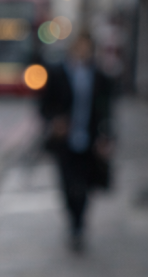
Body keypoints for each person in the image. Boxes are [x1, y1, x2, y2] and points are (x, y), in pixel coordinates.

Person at [39, 32, 114, 253]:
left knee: (85, 187)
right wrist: (55, 122)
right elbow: (44, 106)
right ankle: (73, 221)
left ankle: (79, 225)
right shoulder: (58, 73)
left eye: (87, 47)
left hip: (89, 141)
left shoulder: (100, 76)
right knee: (68, 186)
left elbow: (107, 111)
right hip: (65, 142)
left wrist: (106, 137)